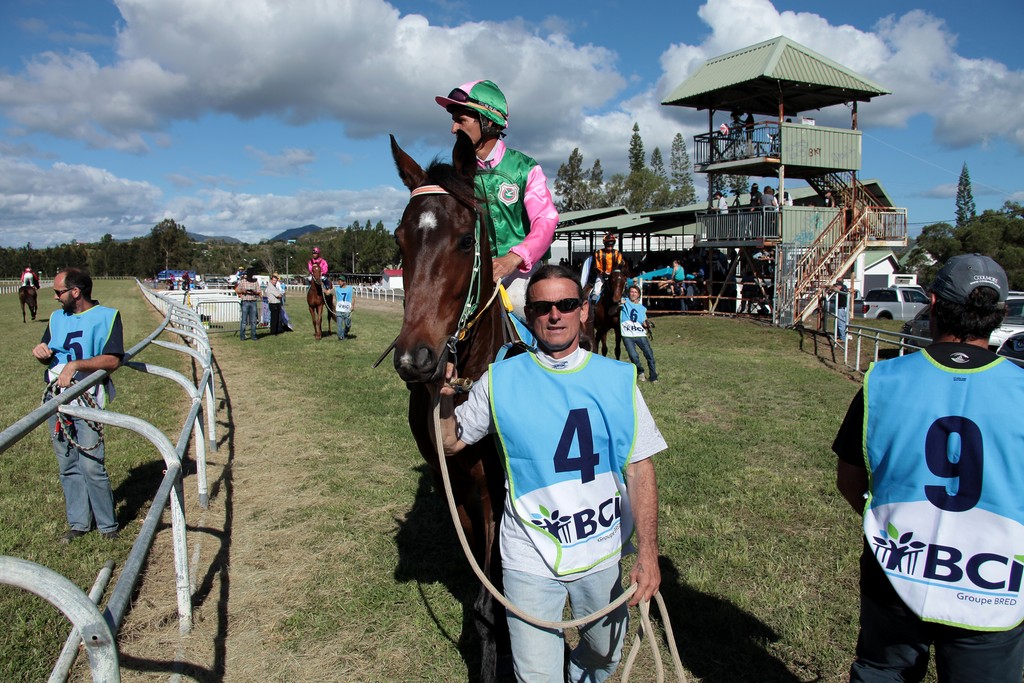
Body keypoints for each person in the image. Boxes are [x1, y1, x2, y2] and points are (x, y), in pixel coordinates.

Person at [436, 265, 665, 683]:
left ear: (583, 311)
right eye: (542, 306)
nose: (554, 314)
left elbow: (640, 466)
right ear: (528, 314)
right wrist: (445, 399)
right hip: (529, 554)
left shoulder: (618, 380)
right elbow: (452, 442)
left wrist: (648, 553)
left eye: (566, 304)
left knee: (604, 656)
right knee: (536, 676)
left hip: (600, 549)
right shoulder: (497, 381)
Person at [834, 253, 1024, 683]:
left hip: (897, 568)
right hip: (997, 578)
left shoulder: (883, 379)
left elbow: (850, 481)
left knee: (883, 672)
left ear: (933, 305)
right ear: (999, 314)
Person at [436, 79, 558, 318]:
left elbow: (546, 220)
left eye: (460, 120)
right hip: (472, 273)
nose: (453, 130)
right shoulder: (455, 175)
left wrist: (514, 258)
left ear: (488, 122)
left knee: (525, 306)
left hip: (521, 273)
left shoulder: (525, 169)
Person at [31, 268, 124, 543]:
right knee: (67, 462)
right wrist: (41, 353)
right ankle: (79, 523)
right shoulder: (58, 318)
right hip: (56, 399)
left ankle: (108, 526)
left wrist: (76, 365)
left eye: (59, 292)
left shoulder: (108, 317)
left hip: (88, 397)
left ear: (75, 292)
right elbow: (49, 354)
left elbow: (113, 360)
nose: (56, 299)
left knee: (92, 463)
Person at [621, 285, 658, 383]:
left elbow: (644, 321)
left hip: (640, 333)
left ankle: (653, 376)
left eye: (635, 292)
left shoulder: (642, 308)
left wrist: (647, 324)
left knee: (649, 354)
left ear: (639, 295)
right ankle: (640, 371)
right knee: (633, 355)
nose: (633, 294)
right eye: (631, 292)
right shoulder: (624, 301)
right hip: (627, 334)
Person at [589, 232, 626, 302]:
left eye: (611, 244)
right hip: (601, 275)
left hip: (614, 275)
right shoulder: (599, 253)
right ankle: (593, 303)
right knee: (597, 290)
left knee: (621, 287)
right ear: (605, 244)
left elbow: (618, 264)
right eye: (608, 244)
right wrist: (603, 274)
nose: (610, 246)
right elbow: (596, 266)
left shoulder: (617, 253)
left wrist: (613, 273)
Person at [235, 267, 260, 341]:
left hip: (253, 301)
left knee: (253, 320)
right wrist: (243, 291)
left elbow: (258, 291)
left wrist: (254, 292)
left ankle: (253, 335)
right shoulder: (243, 281)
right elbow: (237, 290)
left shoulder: (255, 282)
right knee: (244, 320)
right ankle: (242, 336)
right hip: (245, 301)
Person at [333, 275, 354, 340]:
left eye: (340, 281)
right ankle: (341, 337)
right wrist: (322, 287)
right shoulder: (336, 289)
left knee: (348, 325)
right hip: (339, 309)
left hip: (347, 309)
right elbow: (328, 292)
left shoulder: (350, 289)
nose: (338, 282)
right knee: (339, 325)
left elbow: (353, 298)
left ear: (344, 282)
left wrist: (352, 305)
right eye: (338, 281)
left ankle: (344, 333)